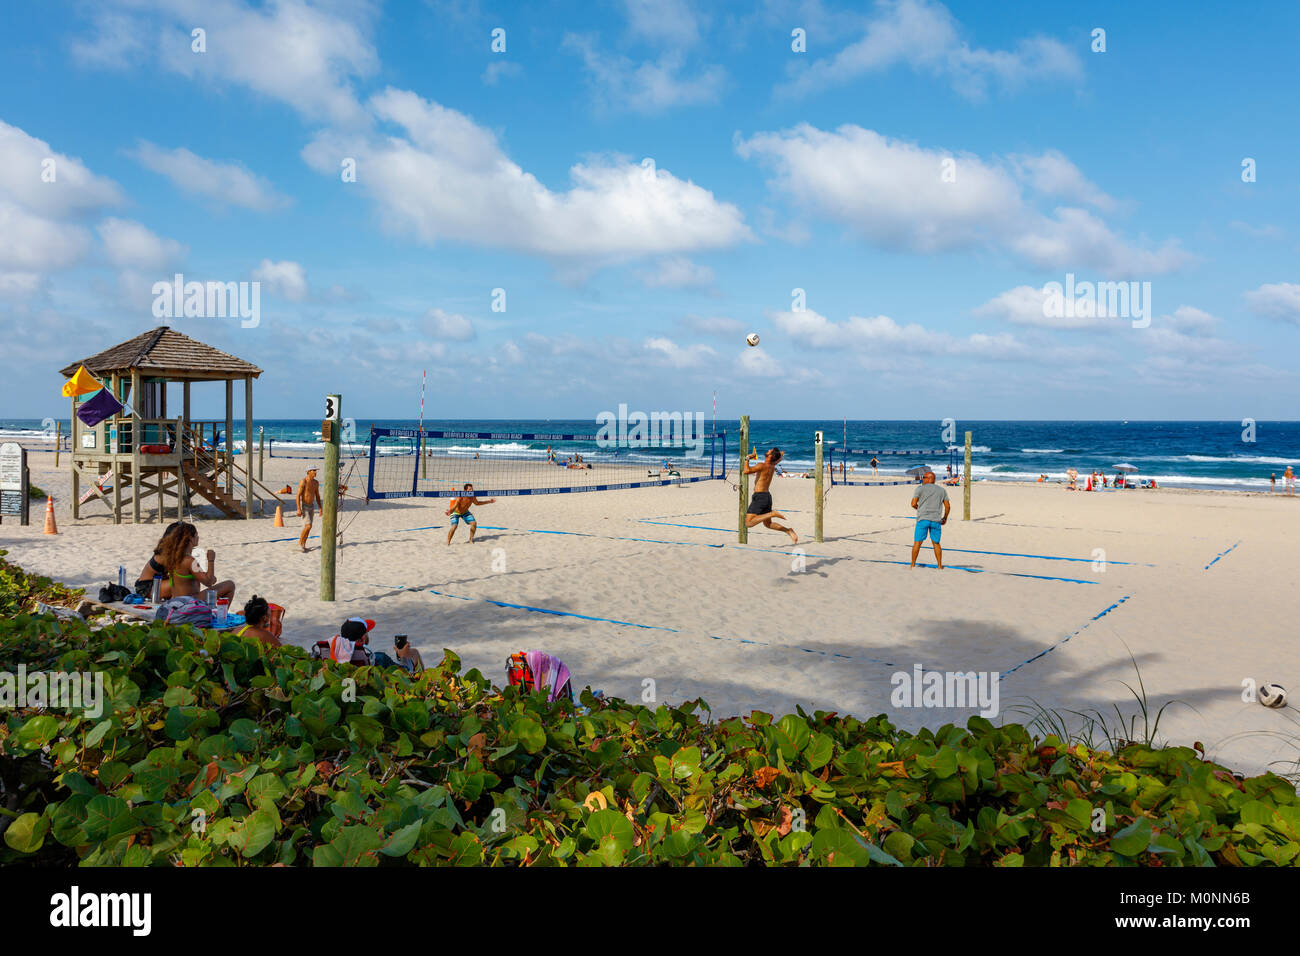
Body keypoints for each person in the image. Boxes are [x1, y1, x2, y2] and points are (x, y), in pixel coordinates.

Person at [156, 521, 236, 604]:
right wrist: (211, 560)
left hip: (176, 602)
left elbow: (196, 577)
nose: (198, 537)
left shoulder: (174, 557)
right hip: (189, 602)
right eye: (196, 535)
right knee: (230, 585)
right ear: (191, 538)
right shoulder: (190, 561)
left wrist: (209, 577)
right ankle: (221, 616)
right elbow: (208, 582)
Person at [743, 447, 797, 544]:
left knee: (748, 523)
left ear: (770, 456)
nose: (767, 450)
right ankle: (788, 530)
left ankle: (772, 513)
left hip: (759, 497)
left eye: (769, 451)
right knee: (768, 524)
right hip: (767, 496)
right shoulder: (772, 465)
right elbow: (778, 458)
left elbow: (746, 471)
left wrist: (747, 458)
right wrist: (780, 454)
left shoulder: (761, 465)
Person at [910, 471, 951, 569]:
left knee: (917, 543)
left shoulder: (919, 489)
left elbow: (913, 504)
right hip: (936, 519)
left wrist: (919, 509)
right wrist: (945, 517)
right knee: (936, 543)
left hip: (923, 519)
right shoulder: (942, 490)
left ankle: (912, 565)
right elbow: (948, 506)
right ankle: (940, 566)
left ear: (929, 478)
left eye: (924, 477)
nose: (922, 479)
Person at [134, 521, 181, 598]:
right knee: (182, 583)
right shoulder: (166, 553)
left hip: (156, 583)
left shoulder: (169, 549)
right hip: (147, 588)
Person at [296, 468, 323, 553]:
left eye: (316, 470)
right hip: (304, 506)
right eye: (313, 470)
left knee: (309, 527)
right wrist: (298, 508)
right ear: (308, 472)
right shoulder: (303, 481)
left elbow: (317, 496)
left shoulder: (316, 483)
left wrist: (320, 507)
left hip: (312, 506)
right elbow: (298, 495)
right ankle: (300, 543)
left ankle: (303, 545)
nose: (315, 472)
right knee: (308, 526)